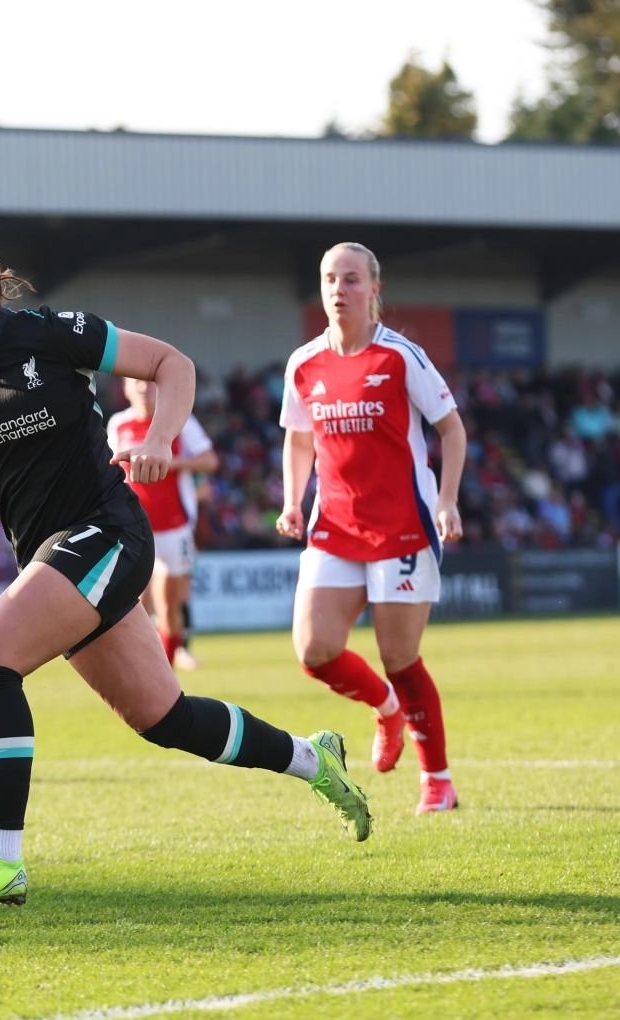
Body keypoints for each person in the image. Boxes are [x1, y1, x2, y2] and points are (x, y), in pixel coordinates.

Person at [0, 239, 373, 910]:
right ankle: (315, 760)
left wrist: (163, 436)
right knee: (163, 717)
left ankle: (1, 859)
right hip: (56, 555)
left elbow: (171, 363)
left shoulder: (51, 334)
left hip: (106, 531)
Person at [276, 241, 466, 815]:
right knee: (314, 650)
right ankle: (385, 709)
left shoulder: (401, 356)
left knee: (400, 657)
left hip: (403, 527)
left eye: (352, 279)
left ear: (374, 289)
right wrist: (291, 500)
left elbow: (451, 431)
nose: (339, 289)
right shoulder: (303, 362)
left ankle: (438, 779)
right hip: (333, 523)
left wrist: (448, 502)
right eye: (331, 278)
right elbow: (299, 438)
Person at [106, 378, 218, 667]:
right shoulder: (118, 424)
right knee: (136, 604)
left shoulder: (178, 422)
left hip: (174, 527)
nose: (143, 388)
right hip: (133, 527)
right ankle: (143, 670)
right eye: (136, 383)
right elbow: (108, 469)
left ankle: (167, 671)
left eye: (149, 383)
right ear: (126, 389)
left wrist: (170, 462)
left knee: (170, 604)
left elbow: (210, 461)